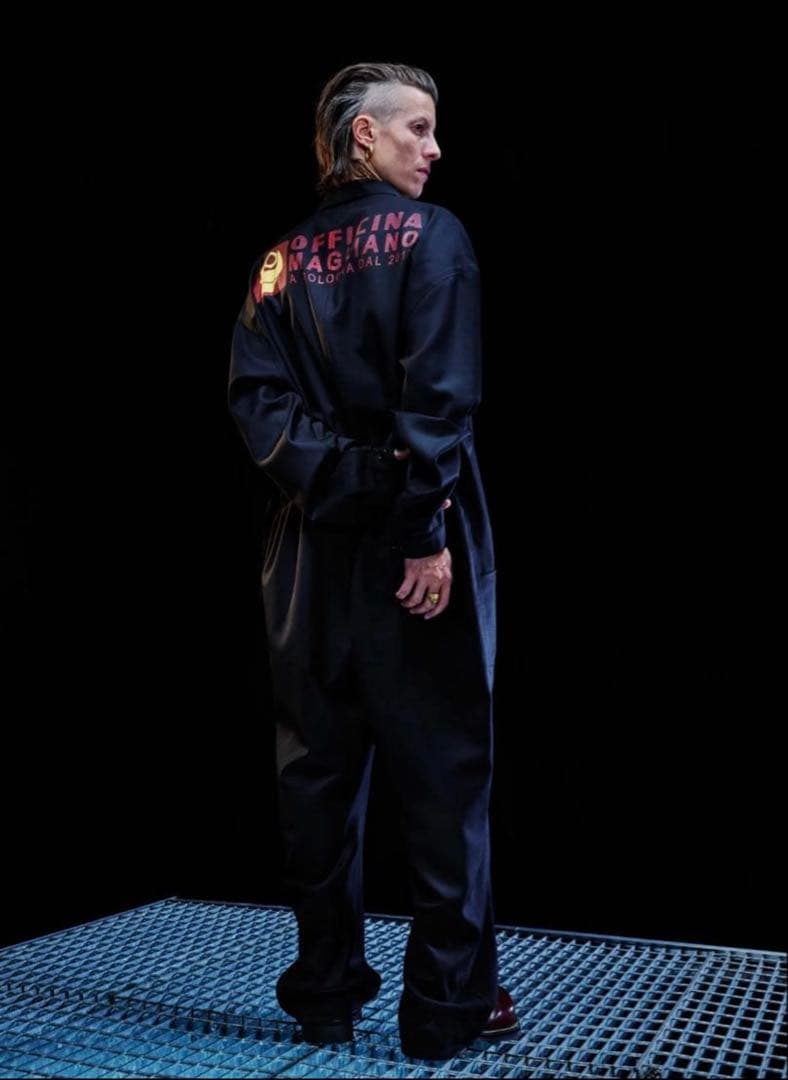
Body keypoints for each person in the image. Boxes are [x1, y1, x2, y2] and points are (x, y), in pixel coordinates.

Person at [227, 61, 517, 1061]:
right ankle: (445, 1010)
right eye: (418, 128)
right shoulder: (432, 237)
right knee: (443, 777)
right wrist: (419, 527)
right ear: (364, 135)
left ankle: (323, 996)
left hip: (305, 555)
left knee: (315, 775)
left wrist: (341, 478)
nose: (434, 149)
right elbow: (440, 395)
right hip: (415, 540)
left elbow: (256, 405)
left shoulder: (278, 263)